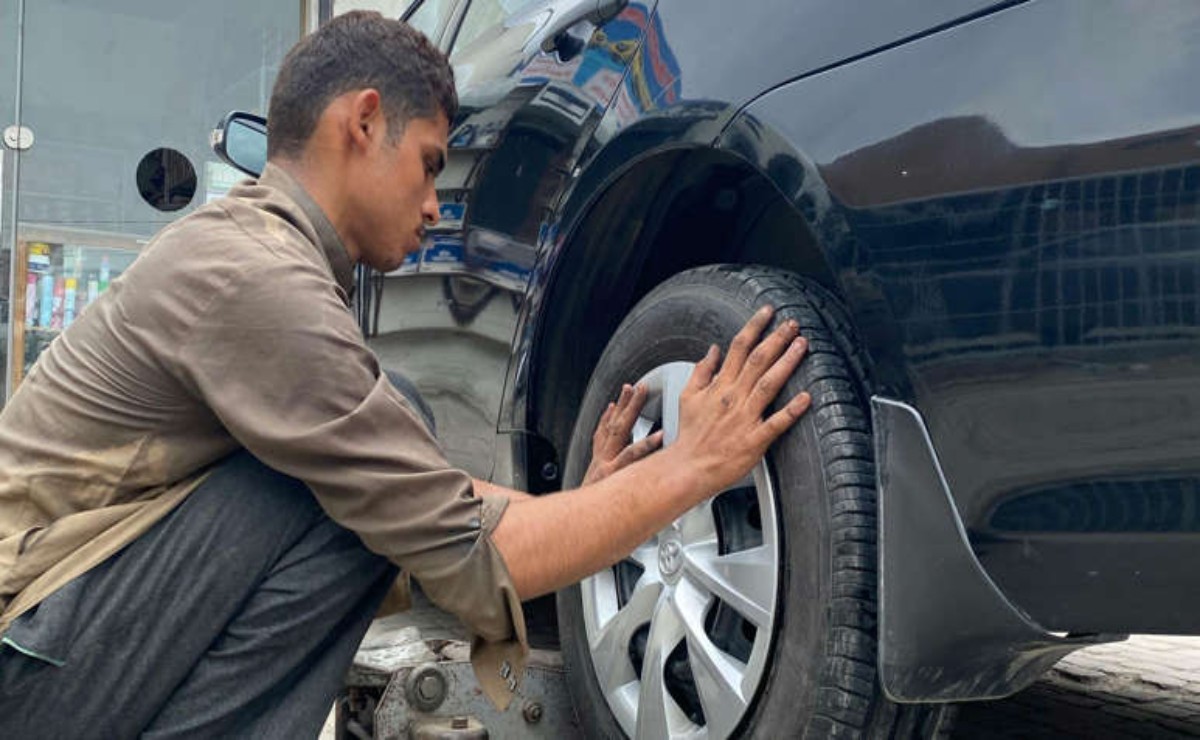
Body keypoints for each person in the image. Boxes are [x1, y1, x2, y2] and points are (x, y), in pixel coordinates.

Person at [0, 11, 811, 738]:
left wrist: (588, 507)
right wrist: (689, 469)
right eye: (428, 165)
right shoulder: (257, 282)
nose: (434, 204)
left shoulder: (255, 251)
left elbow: (423, 498)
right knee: (333, 501)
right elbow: (448, 532)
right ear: (362, 122)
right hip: (24, 651)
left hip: (55, 629)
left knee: (380, 452)